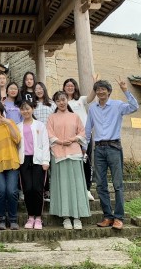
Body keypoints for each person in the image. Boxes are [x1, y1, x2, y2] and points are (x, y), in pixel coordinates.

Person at [85, 78, 138, 230]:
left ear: (108, 91)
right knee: (101, 185)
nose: (101, 91)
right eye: (98, 89)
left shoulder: (117, 105)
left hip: (114, 147)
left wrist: (125, 90)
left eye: (103, 89)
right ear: (95, 92)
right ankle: (108, 216)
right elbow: (88, 130)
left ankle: (119, 217)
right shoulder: (93, 109)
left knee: (118, 184)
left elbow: (134, 107)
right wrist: (84, 148)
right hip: (99, 149)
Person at [47, 91, 91, 230]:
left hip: (74, 153)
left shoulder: (75, 116)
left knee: (77, 186)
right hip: (59, 155)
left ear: (67, 100)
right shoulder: (52, 118)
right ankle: (65, 216)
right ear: (55, 102)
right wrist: (59, 141)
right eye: (58, 100)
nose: (61, 102)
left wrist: (72, 139)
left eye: (63, 99)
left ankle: (77, 217)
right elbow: (49, 133)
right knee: (62, 186)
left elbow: (82, 132)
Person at [0, 100, 21, 230]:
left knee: (11, 191)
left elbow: (17, 139)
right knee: (0, 190)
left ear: (1, 111)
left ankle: (13, 219)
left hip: (11, 160)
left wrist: (7, 123)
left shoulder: (9, 122)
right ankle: (1, 219)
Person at [17, 100, 50, 230]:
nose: (25, 111)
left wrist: (46, 161)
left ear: (32, 109)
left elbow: (45, 143)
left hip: (38, 160)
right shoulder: (18, 126)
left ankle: (38, 218)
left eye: (28, 108)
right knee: (27, 189)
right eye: (23, 109)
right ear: (20, 111)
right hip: (23, 160)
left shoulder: (40, 125)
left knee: (37, 189)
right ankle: (30, 217)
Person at [63, 77, 97, 201]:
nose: (70, 87)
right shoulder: (63, 102)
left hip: (84, 135)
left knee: (86, 162)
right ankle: (74, 188)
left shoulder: (80, 100)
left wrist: (94, 85)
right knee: (72, 162)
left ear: (75, 87)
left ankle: (87, 189)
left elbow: (91, 97)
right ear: (64, 88)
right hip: (69, 136)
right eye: (67, 86)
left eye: (72, 85)